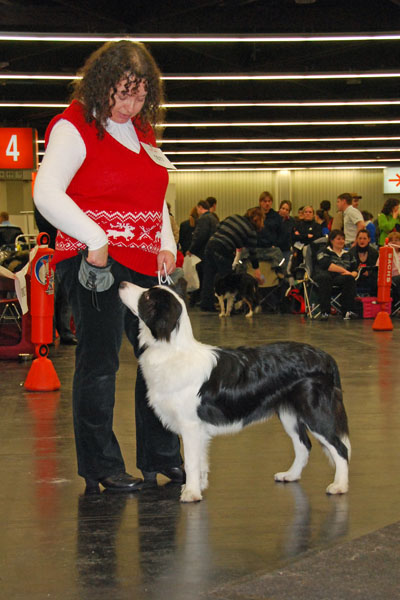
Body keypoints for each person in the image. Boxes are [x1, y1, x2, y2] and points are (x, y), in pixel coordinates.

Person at [34, 40, 183, 494]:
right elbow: (46, 192)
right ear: (102, 84)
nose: (130, 104)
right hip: (94, 262)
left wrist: (166, 241)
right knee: (99, 364)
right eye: (123, 92)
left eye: (140, 96)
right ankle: (101, 465)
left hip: (143, 264)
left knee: (159, 362)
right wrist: (95, 237)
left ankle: (161, 457)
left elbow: (155, 196)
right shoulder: (73, 125)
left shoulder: (143, 132)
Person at [199, 207, 263, 311]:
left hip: (210, 245)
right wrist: (257, 270)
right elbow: (253, 252)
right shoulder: (251, 231)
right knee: (228, 279)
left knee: (208, 278)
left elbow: (218, 226)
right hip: (224, 250)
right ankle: (229, 308)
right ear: (258, 220)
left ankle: (206, 305)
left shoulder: (233, 217)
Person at [34, 205, 77, 344]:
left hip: (65, 254)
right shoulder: (43, 203)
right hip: (50, 255)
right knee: (50, 296)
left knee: (65, 297)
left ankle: (65, 332)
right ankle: (50, 334)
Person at [313, 229, 358, 321]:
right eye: (338, 239)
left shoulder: (349, 254)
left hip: (340, 278)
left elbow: (355, 269)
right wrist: (345, 271)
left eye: (343, 239)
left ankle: (347, 311)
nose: (341, 241)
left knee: (349, 279)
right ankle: (325, 312)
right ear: (332, 240)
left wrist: (352, 274)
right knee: (325, 278)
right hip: (325, 275)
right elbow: (326, 265)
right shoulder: (323, 251)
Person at [186, 199, 218, 305]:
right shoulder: (213, 218)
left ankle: (205, 302)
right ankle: (208, 301)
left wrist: (191, 249)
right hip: (213, 252)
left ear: (200, 207)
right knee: (209, 278)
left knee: (203, 278)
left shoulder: (203, 219)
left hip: (203, 253)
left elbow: (200, 236)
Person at [348, 229, 378, 296]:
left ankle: (374, 303)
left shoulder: (375, 253)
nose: (362, 241)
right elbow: (348, 268)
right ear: (357, 239)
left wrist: (369, 273)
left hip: (370, 279)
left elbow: (378, 269)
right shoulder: (350, 252)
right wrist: (357, 271)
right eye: (360, 238)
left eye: (364, 238)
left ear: (369, 239)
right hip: (355, 279)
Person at [277, 200, 295, 268]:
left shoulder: (292, 221)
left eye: (287, 210)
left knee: (285, 268)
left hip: (286, 249)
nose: (284, 211)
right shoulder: (273, 219)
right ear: (279, 208)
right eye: (283, 208)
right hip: (275, 249)